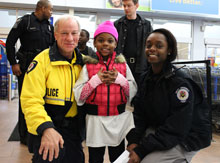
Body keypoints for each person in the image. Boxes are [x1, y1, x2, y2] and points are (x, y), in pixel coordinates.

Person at [126, 28, 212, 163]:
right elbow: (139, 114)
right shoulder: (145, 78)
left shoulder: (180, 84)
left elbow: (177, 126)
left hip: (188, 137)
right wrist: (134, 140)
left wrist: (142, 150)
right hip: (161, 128)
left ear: (169, 50)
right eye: (148, 45)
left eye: (159, 46)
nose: (152, 49)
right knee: (128, 156)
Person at [20, 15, 84, 163]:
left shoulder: (84, 63)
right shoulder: (41, 61)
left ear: (79, 35)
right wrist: (46, 128)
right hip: (48, 124)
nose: (69, 38)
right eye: (64, 33)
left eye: (74, 33)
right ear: (55, 35)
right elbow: (30, 100)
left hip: (74, 130)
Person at [73, 21, 137, 163]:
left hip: (117, 121)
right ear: (94, 43)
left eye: (110, 40)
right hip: (95, 121)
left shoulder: (123, 65)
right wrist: (96, 80)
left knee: (117, 157)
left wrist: (119, 79)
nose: (105, 44)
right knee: (95, 158)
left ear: (115, 44)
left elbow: (132, 91)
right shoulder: (88, 66)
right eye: (101, 40)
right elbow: (79, 96)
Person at [6, 0, 55, 145]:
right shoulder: (25, 21)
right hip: (26, 66)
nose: (51, 13)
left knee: (43, 101)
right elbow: (10, 42)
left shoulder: (49, 26)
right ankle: (24, 136)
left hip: (44, 68)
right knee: (25, 101)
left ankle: (40, 131)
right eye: (50, 10)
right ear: (42, 8)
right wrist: (13, 63)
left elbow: (52, 47)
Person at [114, 0, 153, 85]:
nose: (126, 8)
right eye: (124, 6)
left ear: (136, 5)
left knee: (140, 95)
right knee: (123, 94)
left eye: (129, 5)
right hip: (122, 66)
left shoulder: (146, 25)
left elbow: (151, 46)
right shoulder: (117, 24)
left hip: (140, 67)